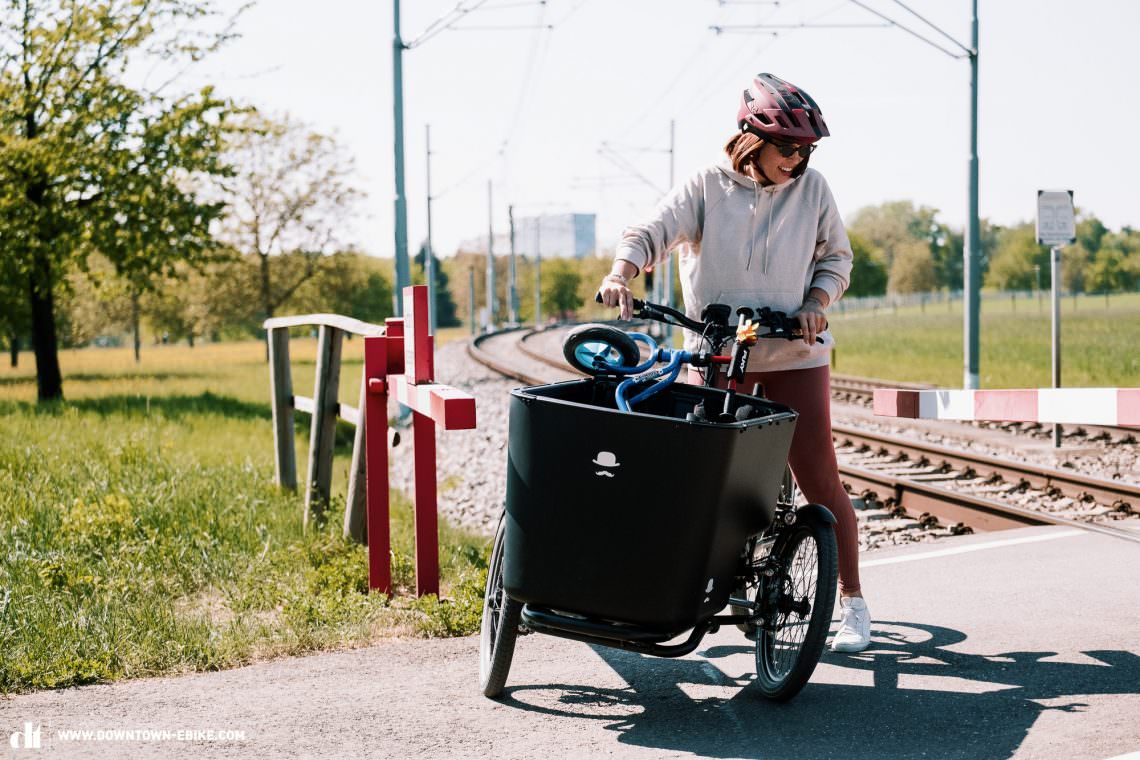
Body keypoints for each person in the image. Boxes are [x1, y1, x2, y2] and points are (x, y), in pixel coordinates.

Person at [597, 72, 871, 653]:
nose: (796, 161)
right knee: (707, 480)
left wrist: (816, 304)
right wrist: (621, 273)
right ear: (752, 138)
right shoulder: (706, 187)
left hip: (794, 355)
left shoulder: (814, 191)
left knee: (819, 479)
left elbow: (837, 260)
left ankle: (852, 602)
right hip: (721, 354)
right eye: (788, 149)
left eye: (806, 151)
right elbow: (652, 231)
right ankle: (695, 585)